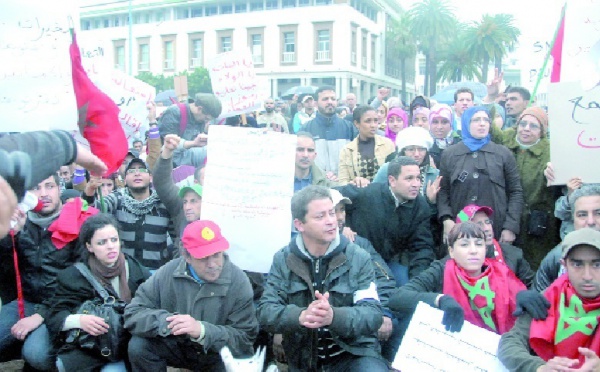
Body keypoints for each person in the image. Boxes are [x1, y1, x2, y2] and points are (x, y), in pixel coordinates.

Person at [257, 186, 388, 371]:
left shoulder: (358, 256)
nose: (331, 221)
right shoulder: (283, 259)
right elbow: (266, 311)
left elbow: (372, 315)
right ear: (299, 224)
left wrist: (333, 316)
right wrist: (301, 315)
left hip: (354, 354)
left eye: (331, 213)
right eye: (320, 217)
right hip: (305, 360)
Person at [125, 220, 258, 371]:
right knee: (139, 346)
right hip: (179, 346)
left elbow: (245, 339)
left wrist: (202, 331)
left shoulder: (239, 281)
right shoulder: (168, 272)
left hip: (216, 354)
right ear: (186, 256)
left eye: (216, 255)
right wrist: (167, 322)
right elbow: (133, 312)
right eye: (203, 258)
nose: (212, 264)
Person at [389, 222, 543, 338]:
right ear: (451, 251)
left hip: (500, 349)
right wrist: (439, 299)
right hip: (454, 347)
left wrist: (525, 295)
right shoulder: (440, 270)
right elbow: (397, 298)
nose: (473, 250)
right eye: (464, 245)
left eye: (478, 244)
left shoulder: (501, 271)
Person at [0, 175, 84, 370]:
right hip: (27, 302)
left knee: (36, 355)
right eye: (37, 188)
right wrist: (11, 235)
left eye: (50, 186)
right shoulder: (23, 221)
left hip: (61, 305)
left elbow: (79, 283)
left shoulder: (75, 223)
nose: (44, 193)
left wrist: (40, 316)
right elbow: (5, 273)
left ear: (59, 190)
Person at [46, 214, 151, 372]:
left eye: (114, 240)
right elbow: (54, 316)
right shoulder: (74, 276)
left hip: (126, 345)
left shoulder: (136, 269)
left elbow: (152, 306)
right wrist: (79, 320)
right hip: (90, 348)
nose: (111, 246)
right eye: (101, 242)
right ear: (89, 246)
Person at [498, 228, 600, 371]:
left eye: (597, 264)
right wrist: (540, 368)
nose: (587, 276)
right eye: (577, 264)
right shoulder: (550, 297)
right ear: (564, 265)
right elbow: (510, 343)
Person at [339, 156, 436, 285]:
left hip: (390, 262)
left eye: (418, 178)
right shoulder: (367, 193)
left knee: (402, 289)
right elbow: (326, 196)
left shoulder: (420, 206)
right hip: (356, 259)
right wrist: (340, 226)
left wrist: (417, 282)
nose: (416, 184)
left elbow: (422, 247)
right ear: (392, 180)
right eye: (409, 178)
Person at [437, 106, 523, 245]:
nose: (482, 123)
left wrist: (510, 227)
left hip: (496, 228)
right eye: (476, 120)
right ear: (465, 123)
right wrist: (446, 218)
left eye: (486, 120)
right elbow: (443, 191)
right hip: (460, 229)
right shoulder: (450, 154)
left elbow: (515, 192)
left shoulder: (502, 153)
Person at [489, 106, 560, 268]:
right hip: (506, 217)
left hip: (538, 222)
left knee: (533, 264)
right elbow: (490, 130)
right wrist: (491, 99)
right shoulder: (507, 140)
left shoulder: (551, 152)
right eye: (523, 124)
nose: (526, 129)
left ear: (542, 131)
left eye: (534, 126)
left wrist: (556, 176)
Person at [83, 159, 176, 270]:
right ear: (125, 180)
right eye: (131, 171)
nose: (137, 173)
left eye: (142, 170)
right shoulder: (117, 199)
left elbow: (177, 240)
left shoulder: (164, 203)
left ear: (151, 177)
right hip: (124, 271)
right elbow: (94, 211)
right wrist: (90, 190)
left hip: (156, 272)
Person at [373, 127, 443, 255]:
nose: (417, 154)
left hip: (424, 235)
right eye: (411, 149)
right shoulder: (388, 169)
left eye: (421, 149)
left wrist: (431, 202)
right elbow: (374, 197)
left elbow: (437, 214)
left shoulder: (435, 174)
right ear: (403, 150)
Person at [534, 184, 600, 292]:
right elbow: (539, 302)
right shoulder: (556, 257)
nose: (591, 221)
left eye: (598, 213)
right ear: (573, 219)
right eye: (582, 215)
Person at [455, 204, 535, 288]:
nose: (487, 228)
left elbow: (532, 286)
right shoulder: (451, 264)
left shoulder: (513, 254)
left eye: (487, 222)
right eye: (479, 225)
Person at [301, 86, 358, 176]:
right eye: (325, 99)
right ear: (315, 104)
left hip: (343, 183)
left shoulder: (349, 128)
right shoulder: (306, 129)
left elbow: (357, 157)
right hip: (317, 184)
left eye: (333, 99)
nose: (330, 102)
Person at [154, 134, 203, 236]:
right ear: (196, 182)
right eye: (186, 202)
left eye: (193, 201)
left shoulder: (227, 208)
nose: (187, 207)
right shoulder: (180, 204)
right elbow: (162, 183)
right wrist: (167, 151)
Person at [158, 93, 222, 167]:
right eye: (206, 118)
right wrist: (193, 143)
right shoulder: (174, 112)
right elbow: (168, 142)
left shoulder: (200, 119)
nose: (206, 121)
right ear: (199, 109)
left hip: (186, 159)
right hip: (167, 160)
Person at [337, 106, 395, 186]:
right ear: (357, 124)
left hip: (384, 195)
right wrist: (355, 183)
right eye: (368, 121)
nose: (373, 125)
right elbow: (343, 182)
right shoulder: (347, 150)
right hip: (358, 196)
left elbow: (395, 175)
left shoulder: (387, 145)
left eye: (375, 121)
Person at [428, 103, 461, 167]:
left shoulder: (460, 143)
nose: (439, 127)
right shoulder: (426, 146)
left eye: (444, 122)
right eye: (435, 122)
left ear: (451, 123)